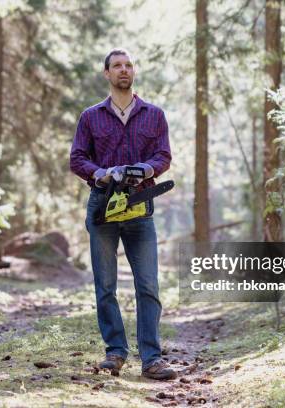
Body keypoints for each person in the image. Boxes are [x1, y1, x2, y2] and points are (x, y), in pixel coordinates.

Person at [69, 48, 175, 380]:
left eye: (129, 65)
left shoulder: (154, 115)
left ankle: (152, 359)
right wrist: (101, 173)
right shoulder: (90, 117)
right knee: (105, 285)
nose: (124, 70)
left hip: (140, 205)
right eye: (117, 66)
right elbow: (77, 159)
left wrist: (145, 168)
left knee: (148, 285)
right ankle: (115, 353)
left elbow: (163, 155)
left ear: (134, 72)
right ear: (107, 74)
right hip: (103, 205)